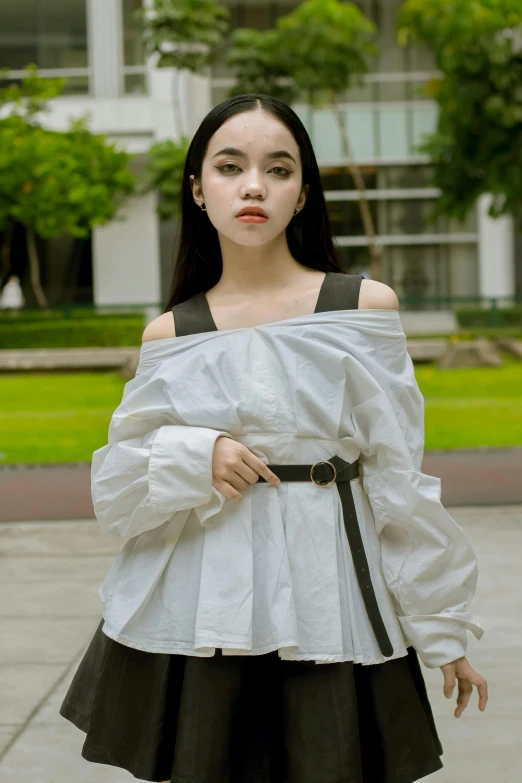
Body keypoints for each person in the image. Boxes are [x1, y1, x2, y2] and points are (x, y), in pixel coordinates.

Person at [59, 94, 488, 783]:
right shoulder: (173, 333)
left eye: (278, 168)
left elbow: (396, 478)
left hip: (331, 600)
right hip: (207, 605)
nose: (254, 185)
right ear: (199, 189)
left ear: (303, 193)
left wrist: (440, 627)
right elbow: (118, 488)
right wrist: (198, 455)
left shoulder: (361, 310)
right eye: (230, 166)